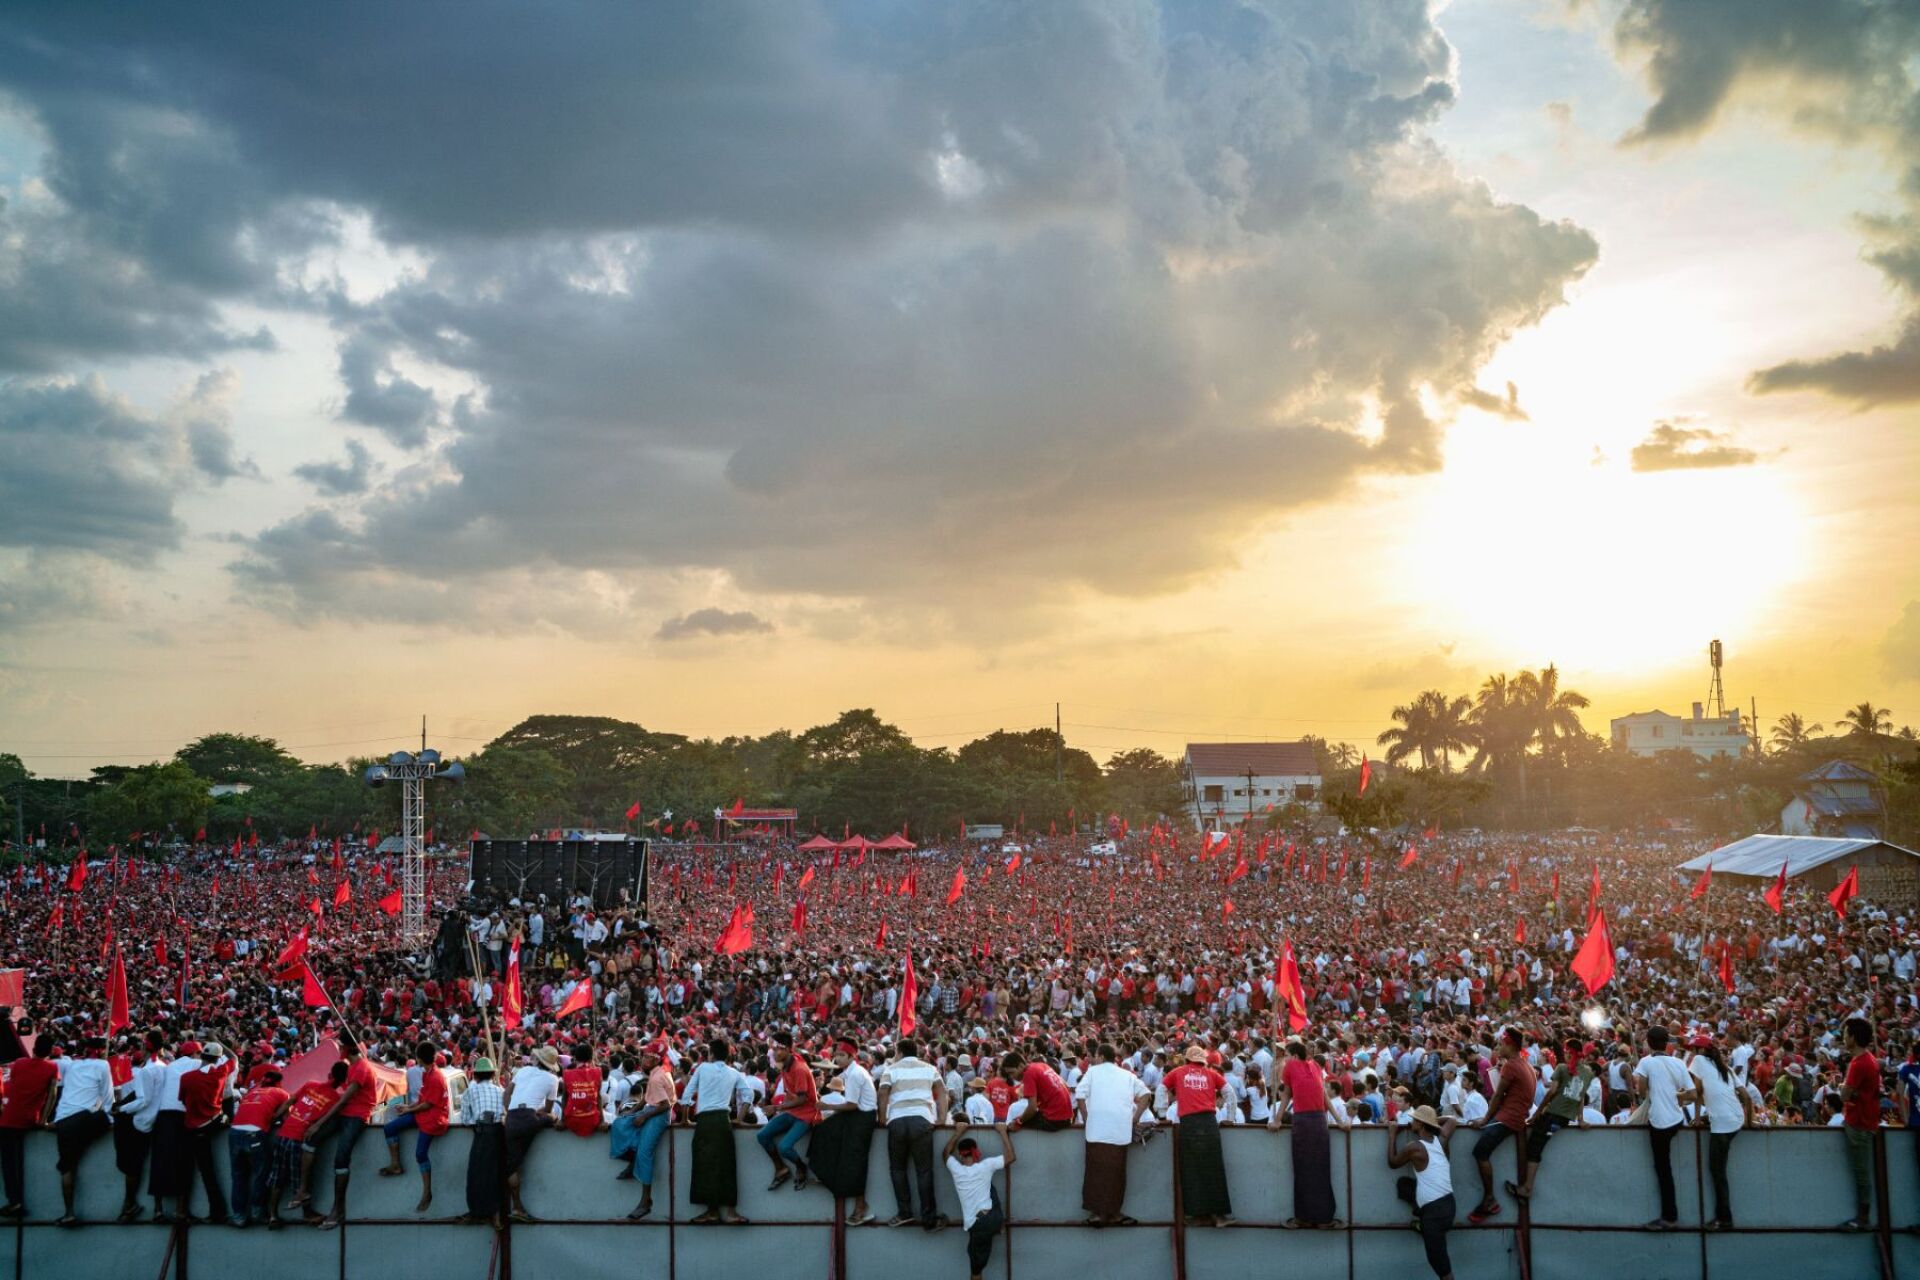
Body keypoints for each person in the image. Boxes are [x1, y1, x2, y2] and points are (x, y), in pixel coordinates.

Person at [876, 1037, 949, 1230]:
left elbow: (883, 1093)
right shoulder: (929, 1069)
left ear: (899, 1053)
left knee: (898, 1169)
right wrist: (941, 1118)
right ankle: (929, 1219)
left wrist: (882, 1117)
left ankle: (904, 1212)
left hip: (897, 1121)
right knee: (924, 1171)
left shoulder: (890, 1070)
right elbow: (942, 1092)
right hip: (922, 1119)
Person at [1074, 1040, 1150, 1226]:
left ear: (1100, 1056)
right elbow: (1146, 1095)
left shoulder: (1092, 1071)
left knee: (1095, 1173)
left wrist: (1086, 1118)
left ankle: (1098, 1214)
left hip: (1096, 1130)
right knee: (1116, 1175)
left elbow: (1080, 1095)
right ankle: (1114, 1213)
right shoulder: (1127, 1075)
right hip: (1119, 1131)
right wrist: (1134, 1118)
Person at [266, 1061, 349, 1230]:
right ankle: (307, 1213)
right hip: (300, 1140)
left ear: (329, 1074)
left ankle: (273, 1215)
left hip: (283, 1134)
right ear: (344, 1081)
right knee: (301, 1179)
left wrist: (274, 1118)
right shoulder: (336, 1099)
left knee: (277, 1177)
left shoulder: (310, 1084)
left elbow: (288, 1103)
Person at [1507, 1035, 1588, 1205]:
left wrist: (1536, 1114)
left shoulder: (1561, 1068)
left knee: (1534, 1149)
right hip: (1565, 1119)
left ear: (1568, 1053)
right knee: (1537, 1146)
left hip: (1552, 1114)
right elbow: (1581, 1097)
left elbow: (1551, 1093)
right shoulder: (1587, 1072)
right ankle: (1526, 1189)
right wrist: (1580, 1119)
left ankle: (1526, 1189)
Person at [806, 1040, 879, 1225]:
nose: (837, 1058)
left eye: (841, 1055)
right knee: (823, 1131)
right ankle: (826, 1174)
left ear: (851, 1057)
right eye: (836, 1055)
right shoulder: (852, 1072)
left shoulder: (855, 1075)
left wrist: (826, 1105)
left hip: (861, 1118)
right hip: (856, 1116)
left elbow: (851, 1105)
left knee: (855, 1160)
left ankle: (860, 1206)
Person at [1467, 1027, 1535, 1224]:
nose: (1498, 1048)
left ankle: (1489, 1199)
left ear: (1510, 1045)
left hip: (1508, 1118)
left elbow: (1497, 1096)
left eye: (1501, 1044)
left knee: (1480, 1152)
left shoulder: (1511, 1065)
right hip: (1515, 1116)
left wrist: (1484, 1119)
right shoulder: (1525, 1065)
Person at [1162, 1044, 1234, 1227]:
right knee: (1214, 1169)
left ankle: (1197, 1216)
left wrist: (1162, 1113)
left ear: (1187, 1059)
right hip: (1209, 1122)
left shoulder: (1178, 1072)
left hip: (1189, 1124)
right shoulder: (1211, 1073)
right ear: (1203, 1060)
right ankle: (1219, 1217)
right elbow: (1230, 1093)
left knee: (1191, 1170)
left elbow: (1160, 1089)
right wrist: (1231, 1118)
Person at [1632, 1026, 1696, 1231]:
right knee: (1664, 1168)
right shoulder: (1678, 1062)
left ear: (1649, 1043)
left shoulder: (1646, 1062)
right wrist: (1674, 1095)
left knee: (1663, 1170)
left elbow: (1641, 1091)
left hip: (1659, 1122)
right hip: (1676, 1119)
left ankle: (1669, 1216)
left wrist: (1652, 1087)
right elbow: (1692, 1094)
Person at [681, 1038, 751, 1224]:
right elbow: (748, 1095)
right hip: (723, 1121)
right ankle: (731, 1212)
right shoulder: (734, 1072)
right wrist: (739, 1118)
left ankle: (711, 1211)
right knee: (726, 1165)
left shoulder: (703, 1068)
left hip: (704, 1121)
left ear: (711, 1054)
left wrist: (685, 1119)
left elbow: (687, 1094)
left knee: (704, 1165)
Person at [1272, 1037, 1338, 1229]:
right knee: (1320, 1168)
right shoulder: (1316, 1066)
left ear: (1293, 1056)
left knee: (1303, 1169)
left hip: (1304, 1121)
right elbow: (1324, 1096)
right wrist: (1339, 1121)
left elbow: (1285, 1096)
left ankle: (1304, 1217)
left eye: (1285, 1054)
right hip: (1318, 1122)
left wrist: (1277, 1120)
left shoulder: (1291, 1067)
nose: (1284, 1058)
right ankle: (1323, 1217)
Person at [1387, 1105, 1458, 1280]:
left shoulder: (1415, 1147)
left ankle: (1423, 1225)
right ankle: (1421, 1222)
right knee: (1404, 1185)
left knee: (1439, 1264)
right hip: (1449, 1206)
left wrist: (1392, 1136)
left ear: (1421, 1124)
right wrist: (1432, 1121)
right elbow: (1453, 1120)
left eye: (1415, 1120)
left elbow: (1393, 1162)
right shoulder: (1442, 1139)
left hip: (1434, 1215)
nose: (1411, 1122)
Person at [1687, 1036, 1751, 1229]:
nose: (1691, 1052)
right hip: (1736, 1118)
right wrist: (1749, 1122)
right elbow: (1746, 1097)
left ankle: (1724, 1218)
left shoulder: (1697, 1061)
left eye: (1693, 1049)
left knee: (1717, 1171)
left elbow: (1697, 1092)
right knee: (1719, 1170)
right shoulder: (1726, 1068)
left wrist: (1698, 1118)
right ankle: (1724, 1217)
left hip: (1722, 1124)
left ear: (1700, 1051)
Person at [50, 1036, 113, 1226]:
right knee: (103, 1119)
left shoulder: (72, 1065)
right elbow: (108, 1097)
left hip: (63, 1120)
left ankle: (69, 1212)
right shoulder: (103, 1065)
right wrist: (110, 1118)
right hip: (84, 1119)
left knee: (67, 1167)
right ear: (101, 1050)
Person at [379, 1041, 449, 1212]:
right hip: (421, 1115)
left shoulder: (435, 1077)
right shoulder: (427, 1073)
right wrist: (408, 1108)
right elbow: (422, 1101)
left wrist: (410, 1109)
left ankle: (427, 1193)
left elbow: (428, 1105)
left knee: (420, 1154)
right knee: (389, 1128)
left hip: (433, 1120)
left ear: (418, 1058)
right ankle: (395, 1164)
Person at [943, 1121, 1015, 1280]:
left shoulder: (956, 1169)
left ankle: (997, 1227)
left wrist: (958, 1131)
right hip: (993, 1218)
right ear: (976, 1152)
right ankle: (999, 1226)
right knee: (989, 1187)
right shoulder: (986, 1166)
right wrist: (1002, 1131)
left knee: (975, 1271)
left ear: (960, 1155)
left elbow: (945, 1154)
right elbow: (1011, 1157)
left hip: (979, 1225)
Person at [612, 1041, 675, 1220]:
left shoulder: (657, 1077)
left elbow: (665, 1105)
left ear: (656, 1059)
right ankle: (633, 1162)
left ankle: (645, 1201)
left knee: (645, 1154)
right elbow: (648, 1097)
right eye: (645, 1055)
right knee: (620, 1125)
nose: (645, 1059)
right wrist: (633, 1112)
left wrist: (643, 1116)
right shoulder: (656, 1074)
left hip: (658, 1115)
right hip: (651, 1110)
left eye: (649, 1057)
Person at [318, 1038, 376, 1229]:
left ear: (348, 1048)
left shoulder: (361, 1068)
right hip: (345, 1114)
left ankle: (338, 1209)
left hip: (356, 1116)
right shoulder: (352, 1065)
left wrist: (320, 1122)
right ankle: (302, 1192)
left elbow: (344, 1100)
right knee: (310, 1139)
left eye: (341, 1047)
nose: (339, 1050)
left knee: (341, 1158)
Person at [503, 1044, 563, 1223]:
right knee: (552, 1116)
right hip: (530, 1119)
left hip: (512, 1118)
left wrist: (511, 1111)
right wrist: (533, 1113)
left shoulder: (523, 1070)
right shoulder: (553, 1079)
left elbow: (506, 1093)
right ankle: (518, 1209)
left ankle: (517, 1206)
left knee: (512, 1167)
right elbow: (548, 1109)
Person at [177, 1042, 234, 1224]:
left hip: (190, 1127)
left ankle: (183, 1212)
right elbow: (234, 1058)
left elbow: (183, 1100)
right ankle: (217, 1212)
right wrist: (217, 1038)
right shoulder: (219, 1073)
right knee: (208, 1173)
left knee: (191, 1171)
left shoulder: (186, 1077)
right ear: (217, 1059)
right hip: (211, 1123)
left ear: (201, 1056)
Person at [0, 1036, 57, 1217]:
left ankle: (14, 1201)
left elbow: (15, 1085)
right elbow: (52, 1095)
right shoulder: (51, 1068)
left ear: (34, 1048)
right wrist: (44, 1120)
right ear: (49, 1051)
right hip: (30, 1119)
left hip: (9, 1119)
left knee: (10, 1164)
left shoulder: (19, 1063)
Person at [112, 1039, 166, 1222]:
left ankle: (129, 1204)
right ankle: (157, 1209)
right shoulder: (164, 1067)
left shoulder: (146, 1071)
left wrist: (120, 1109)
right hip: (158, 1120)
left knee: (132, 1166)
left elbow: (143, 1100)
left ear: (145, 1048)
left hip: (140, 1122)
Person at [227, 1066, 289, 1226]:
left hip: (234, 1132)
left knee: (238, 1176)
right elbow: (287, 1118)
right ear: (279, 1083)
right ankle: (257, 1212)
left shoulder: (251, 1092)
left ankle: (238, 1216)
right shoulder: (281, 1093)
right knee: (261, 1172)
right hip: (254, 1134)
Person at [759, 1032, 820, 1190]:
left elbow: (802, 1099)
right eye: (773, 1048)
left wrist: (777, 1108)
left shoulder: (798, 1068)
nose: (774, 1052)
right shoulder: (785, 1067)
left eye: (777, 1049)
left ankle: (801, 1168)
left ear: (787, 1049)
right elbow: (790, 1096)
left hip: (807, 1114)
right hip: (793, 1112)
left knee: (785, 1147)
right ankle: (781, 1169)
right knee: (762, 1136)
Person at [1838, 1016, 1880, 1232]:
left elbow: (1844, 1095)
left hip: (1858, 1124)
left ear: (1853, 1037)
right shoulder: (1870, 1059)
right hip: (1866, 1121)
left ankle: (1862, 1218)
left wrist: (1844, 1088)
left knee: (1861, 1172)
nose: (1843, 1038)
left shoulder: (1858, 1063)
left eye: (1845, 1034)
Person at [456, 1056, 507, 1227]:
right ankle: (496, 1215)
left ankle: (477, 1212)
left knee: (476, 1174)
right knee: (496, 1174)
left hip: (483, 1133)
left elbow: (465, 1119)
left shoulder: (470, 1091)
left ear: (475, 1076)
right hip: (499, 1133)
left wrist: (476, 1123)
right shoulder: (500, 1090)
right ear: (493, 1074)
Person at [1002, 1051, 1073, 1131]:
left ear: (1021, 1066)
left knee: (1014, 1123)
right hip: (1068, 1118)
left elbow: (1032, 1108)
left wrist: (1018, 1122)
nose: (1011, 1077)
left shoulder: (1028, 1074)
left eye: (1012, 1072)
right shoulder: (1041, 1065)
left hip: (1055, 1120)